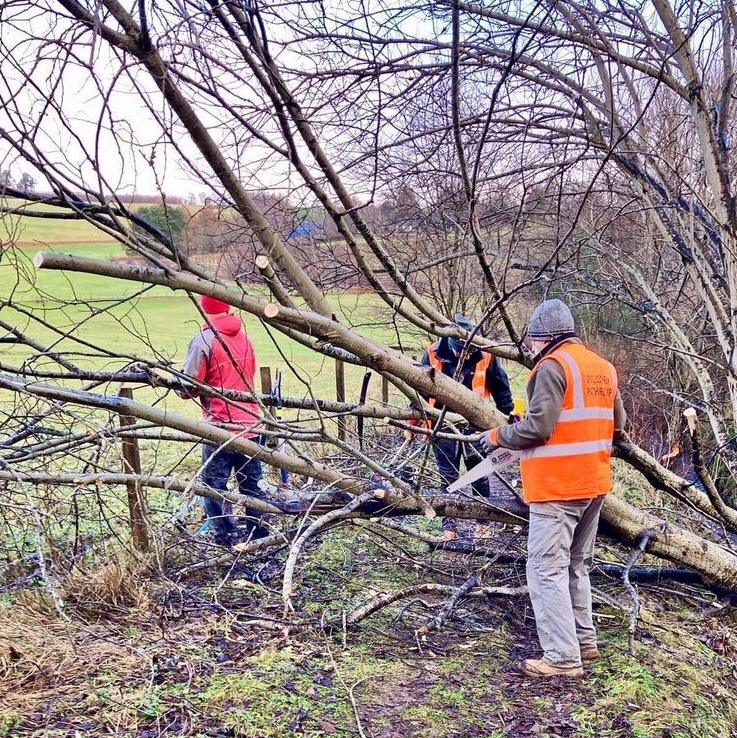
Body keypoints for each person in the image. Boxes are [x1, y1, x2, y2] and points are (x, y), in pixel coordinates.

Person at [482, 299, 626, 678]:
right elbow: (619, 427)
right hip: (594, 482)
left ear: (543, 338)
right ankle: (584, 642)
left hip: (558, 486)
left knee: (546, 569)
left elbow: (538, 430)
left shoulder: (552, 366)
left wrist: (499, 435)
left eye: (531, 341)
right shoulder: (602, 367)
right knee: (577, 565)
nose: (529, 348)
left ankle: (562, 658)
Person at [409, 314, 516, 541]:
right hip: (441, 423)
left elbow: (501, 387)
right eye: (461, 351)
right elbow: (418, 389)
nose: (465, 354)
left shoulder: (485, 354)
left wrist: (505, 417)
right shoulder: (432, 354)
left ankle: (483, 522)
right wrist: (413, 422)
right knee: (448, 476)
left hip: (475, 426)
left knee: (478, 473)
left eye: (468, 350)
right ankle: (450, 526)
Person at [180, 295, 267, 546]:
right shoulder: (245, 339)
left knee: (214, 485)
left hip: (221, 426)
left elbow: (188, 388)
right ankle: (258, 532)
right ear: (227, 308)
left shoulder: (204, 341)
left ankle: (224, 534)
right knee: (252, 484)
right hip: (251, 423)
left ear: (204, 309)